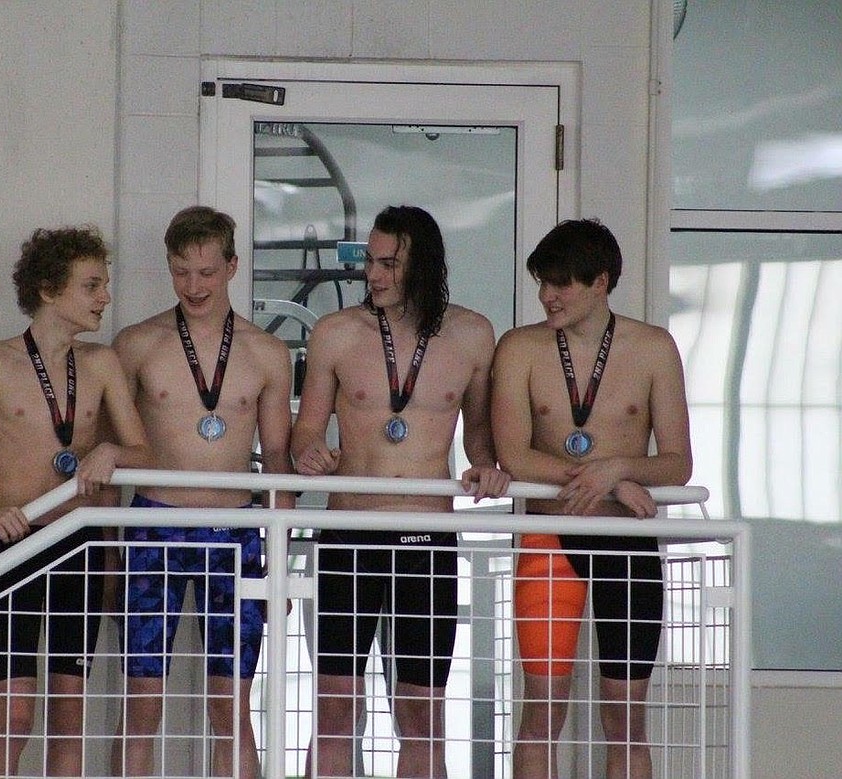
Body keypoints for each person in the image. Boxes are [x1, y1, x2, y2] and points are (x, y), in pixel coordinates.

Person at [291, 205, 510, 779]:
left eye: (389, 263)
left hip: (426, 539)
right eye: (371, 261)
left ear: (424, 265)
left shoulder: (472, 334)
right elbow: (306, 431)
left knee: (422, 714)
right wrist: (309, 450)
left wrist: (486, 469)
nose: (374, 275)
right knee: (335, 708)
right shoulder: (336, 333)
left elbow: (479, 435)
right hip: (349, 536)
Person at [0, 225, 152, 777]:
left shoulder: (101, 364)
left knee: (70, 716)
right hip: (14, 545)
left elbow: (144, 453)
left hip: (78, 546)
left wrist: (110, 451)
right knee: (17, 713)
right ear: (50, 291)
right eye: (93, 285)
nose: (106, 297)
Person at [491, 219, 692, 779]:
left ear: (601, 282)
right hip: (549, 538)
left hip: (628, 544)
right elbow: (514, 455)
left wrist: (619, 470)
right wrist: (604, 480)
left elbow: (678, 463)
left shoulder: (653, 348)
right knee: (542, 712)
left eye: (561, 284)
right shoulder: (521, 348)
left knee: (626, 716)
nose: (546, 297)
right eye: (542, 283)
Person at [110, 205, 295, 779]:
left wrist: (281, 563)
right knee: (141, 707)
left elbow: (280, 464)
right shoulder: (137, 343)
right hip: (152, 525)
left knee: (232, 708)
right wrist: (111, 546)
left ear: (232, 266)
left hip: (235, 533)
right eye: (180, 272)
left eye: (207, 273)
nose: (194, 287)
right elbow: (106, 447)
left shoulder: (267, 352)